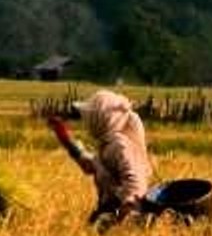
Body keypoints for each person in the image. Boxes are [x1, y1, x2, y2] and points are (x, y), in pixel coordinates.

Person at [47, 90, 153, 226]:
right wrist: (65, 139)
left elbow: (135, 182)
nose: (87, 122)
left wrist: (123, 214)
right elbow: (91, 166)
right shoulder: (108, 143)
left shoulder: (119, 145)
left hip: (120, 213)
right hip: (109, 209)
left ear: (100, 119)